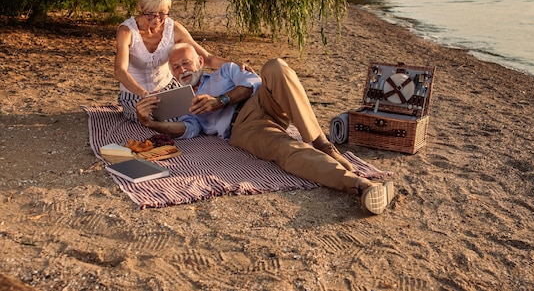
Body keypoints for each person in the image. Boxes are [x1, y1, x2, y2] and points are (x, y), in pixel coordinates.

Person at [136, 43, 395, 215]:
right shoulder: (182, 100)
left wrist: (220, 100)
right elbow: (188, 129)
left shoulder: (224, 72)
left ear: (200, 61)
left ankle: (322, 143)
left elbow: (254, 82)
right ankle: (360, 186)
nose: (182, 70)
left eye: (186, 63)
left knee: (275, 67)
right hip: (244, 128)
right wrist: (153, 124)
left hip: (264, 101)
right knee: (287, 150)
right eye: (176, 67)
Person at [114, 0, 247, 121]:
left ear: (169, 8)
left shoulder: (173, 28)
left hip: (168, 89)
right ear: (142, 7)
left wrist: (235, 64)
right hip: (135, 93)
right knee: (155, 118)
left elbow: (207, 58)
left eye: (162, 13)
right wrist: (144, 94)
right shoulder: (127, 31)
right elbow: (119, 71)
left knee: (198, 112)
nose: (157, 19)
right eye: (150, 14)